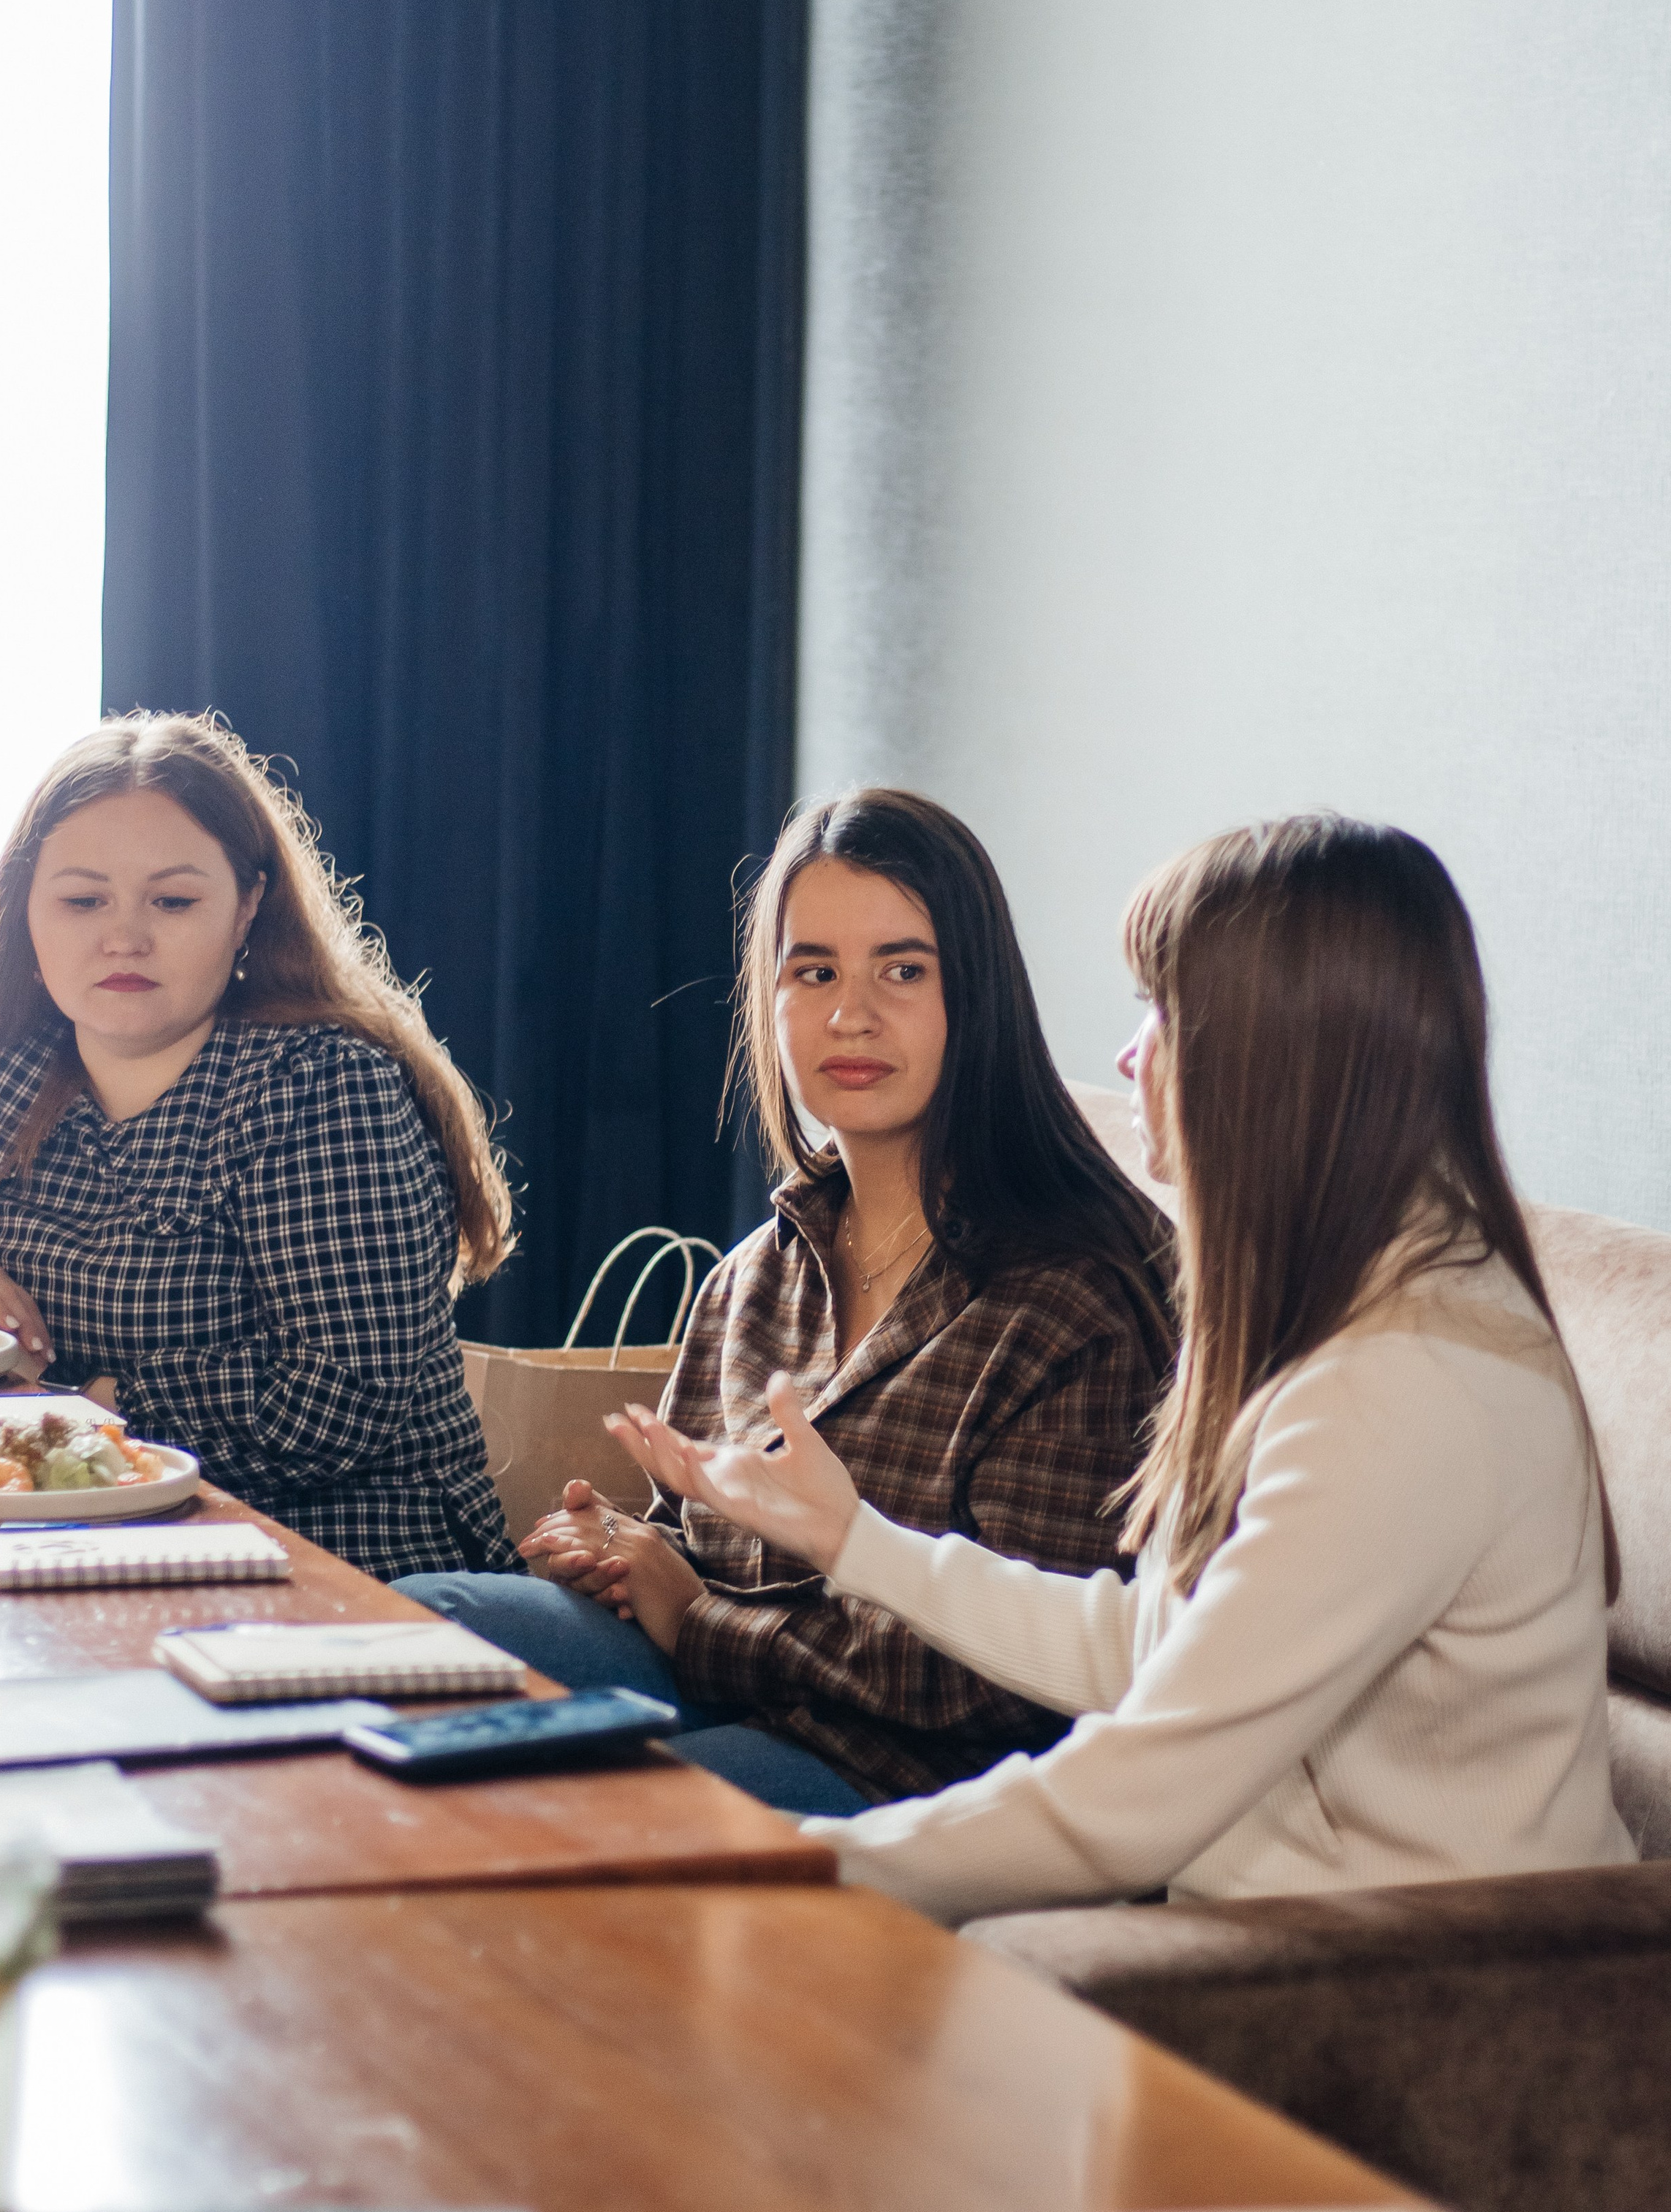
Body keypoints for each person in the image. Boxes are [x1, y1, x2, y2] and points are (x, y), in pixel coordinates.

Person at [608, 813, 1637, 1919]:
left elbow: (1134, 1797)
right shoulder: (1345, 1310)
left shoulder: (1407, 1384)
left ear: (1278, 1056)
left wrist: (810, 1859)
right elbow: (1158, 1647)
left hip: (1411, 1993)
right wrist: (853, 1541)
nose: (1129, 1054)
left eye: (1166, 1011)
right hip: (1272, 1944)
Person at [395, 788, 1174, 1814]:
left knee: (581, 1818)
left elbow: (1003, 1682)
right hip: (727, 1697)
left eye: (904, 969)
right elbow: (687, 1539)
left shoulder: (1078, 1294)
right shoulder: (754, 1273)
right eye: (814, 972)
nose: (852, 1015)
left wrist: (694, 1620)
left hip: (912, 1779)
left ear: (975, 994)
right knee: (419, 1629)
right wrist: (622, 1549)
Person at [0, 714, 516, 1580]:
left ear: (248, 906)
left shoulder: (322, 1085)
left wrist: (95, 1406)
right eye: (82, 900)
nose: (124, 938)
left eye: (173, 901)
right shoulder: (8, 1074)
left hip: (342, 1563)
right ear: (24, 909)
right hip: (73, 1543)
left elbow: (338, 1397)